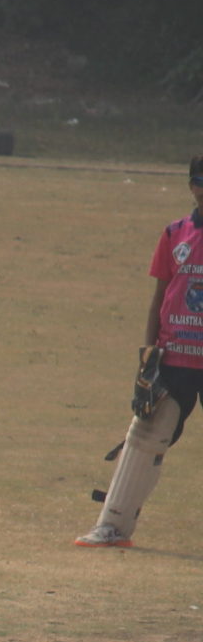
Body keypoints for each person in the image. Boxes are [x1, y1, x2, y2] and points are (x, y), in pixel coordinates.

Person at [80, 155, 203, 548]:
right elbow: (159, 298)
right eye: (199, 180)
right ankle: (112, 527)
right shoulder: (175, 234)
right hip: (175, 356)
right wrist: (150, 353)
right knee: (146, 436)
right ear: (191, 185)